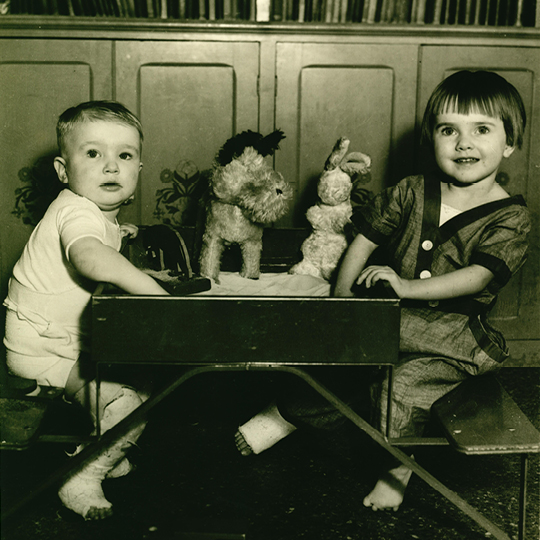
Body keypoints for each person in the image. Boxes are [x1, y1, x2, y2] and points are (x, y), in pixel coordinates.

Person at [235, 70, 531, 511]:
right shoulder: (412, 190)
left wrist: (407, 287)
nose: (463, 143)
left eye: (482, 130)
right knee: (336, 363)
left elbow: (480, 276)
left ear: (508, 144)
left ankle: (397, 469)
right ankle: (287, 413)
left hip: (451, 340)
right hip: (389, 319)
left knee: (403, 387)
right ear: (433, 138)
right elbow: (366, 239)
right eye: (449, 130)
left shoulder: (511, 218)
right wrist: (342, 297)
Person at [3, 101, 169, 520]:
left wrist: (134, 259)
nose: (111, 166)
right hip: (43, 351)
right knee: (128, 405)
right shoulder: (76, 212)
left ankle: (100, 448)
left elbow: (103, 252)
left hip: (60, 341)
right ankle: (82, 474)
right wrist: (154, 294)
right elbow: (91, 259)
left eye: (124, 155)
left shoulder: (95, 213)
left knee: (143, 381)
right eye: (93, 154)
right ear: (63, 171)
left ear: (138, 169)